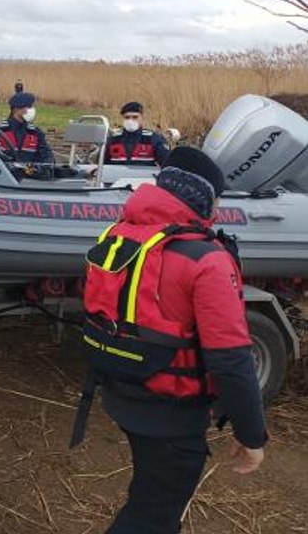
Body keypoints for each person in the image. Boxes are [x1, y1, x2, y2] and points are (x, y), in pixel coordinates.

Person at [76, 147, 267, 534]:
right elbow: (231, 359)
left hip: (122, 391)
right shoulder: (206, 258)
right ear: (205, 199)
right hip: (170, 412)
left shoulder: (119, 232)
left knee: (151, 496)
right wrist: (251, 434)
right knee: (152, 517)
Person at [0, 91, 54, 178]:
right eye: (29, 106)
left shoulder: (36, 132)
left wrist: (46, 167)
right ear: (16, 109)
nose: (32, 109)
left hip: (28, 179)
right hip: (3, 177)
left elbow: (47, 156)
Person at [105, 101, 170, 167]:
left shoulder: (153, 138)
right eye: (127, 117)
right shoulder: (113, 139)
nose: (131, 120)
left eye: (135, 117)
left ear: (142, 118)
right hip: (116, 176)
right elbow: (102, 165)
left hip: (144, 176)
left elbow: (166, 163)